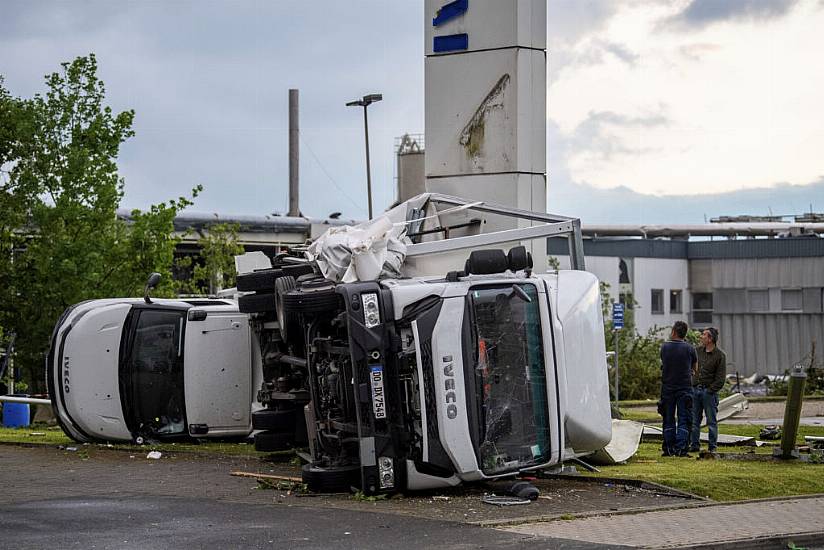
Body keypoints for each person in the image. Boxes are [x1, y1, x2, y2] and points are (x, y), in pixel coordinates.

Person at [659, 321, 697, 456]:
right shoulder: (690, 349)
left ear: (674, 331)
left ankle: (669, 448)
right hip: (685, 388)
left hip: (667, 388)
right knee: (684, 419)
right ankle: (681, 449)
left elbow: (664, 363)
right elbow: (694, 368)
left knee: (668, 418)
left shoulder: (665, 347)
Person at [689, 327, 726, 454]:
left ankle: (712, 446)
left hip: (708, 392)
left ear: (710, 339)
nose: (701, 337)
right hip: (695, 390)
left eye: (704, 335)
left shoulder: (720, 355)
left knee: (711, 420)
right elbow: (691, 367)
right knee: (694, 420)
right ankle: (694, 445)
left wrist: (710, 390)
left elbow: (720, 378)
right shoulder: (697, 351)